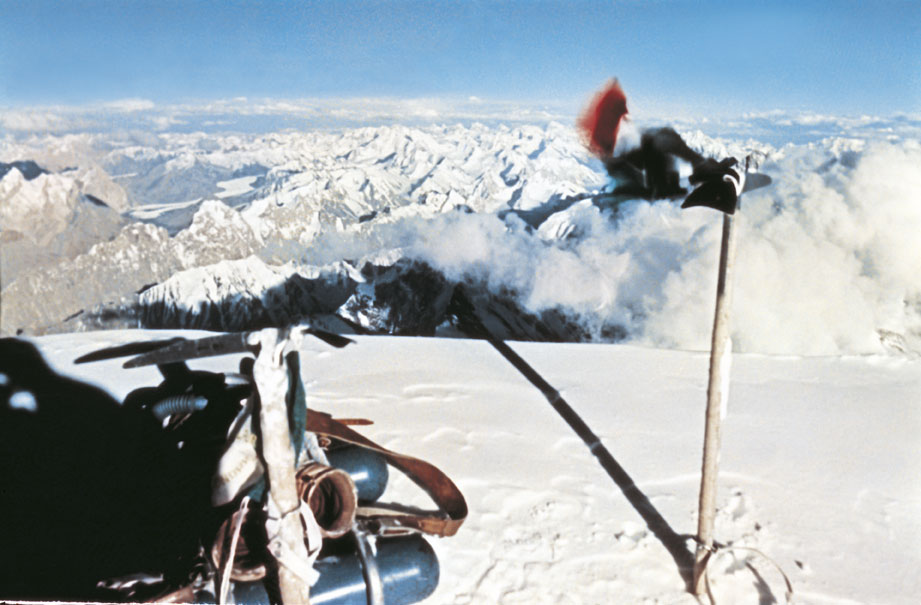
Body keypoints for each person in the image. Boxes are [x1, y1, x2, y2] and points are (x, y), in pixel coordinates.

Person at [579, 79, 746, 212]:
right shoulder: (643, 149)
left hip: (656, 180)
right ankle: (709, 179)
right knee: (661, 145)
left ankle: (710, 178)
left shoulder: (652, 143)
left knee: (663, 144)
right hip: (652, 190)